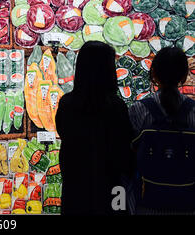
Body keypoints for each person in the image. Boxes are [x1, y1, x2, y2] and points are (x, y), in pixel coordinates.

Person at [55, 41, 134, 215]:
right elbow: (124, 150)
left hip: (76, 189)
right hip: (114, 188)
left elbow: (63, 133)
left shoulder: (67, 103)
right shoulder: (117, 106)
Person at [129, 47, 195, 215]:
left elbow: (125, 159)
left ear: (154, 74)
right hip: (187, 205)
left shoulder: (139, 110)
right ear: (184, 76)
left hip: (147, 205)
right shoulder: (193, 112)